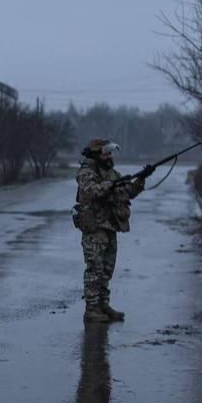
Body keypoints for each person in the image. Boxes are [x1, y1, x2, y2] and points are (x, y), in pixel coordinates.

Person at [74, 138, 152, 323]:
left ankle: (103, 305)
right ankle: (92, 309)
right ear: (96, 154)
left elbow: (128, 191)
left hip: (110, 226)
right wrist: (112, 184)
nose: (109, 157)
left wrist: (141, 178)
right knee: (95, 269)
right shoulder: (86, 173)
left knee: (107, 270)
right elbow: (93, 192)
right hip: (94, 228)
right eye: (106, 153)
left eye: (110, 153)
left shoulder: (111, 172)